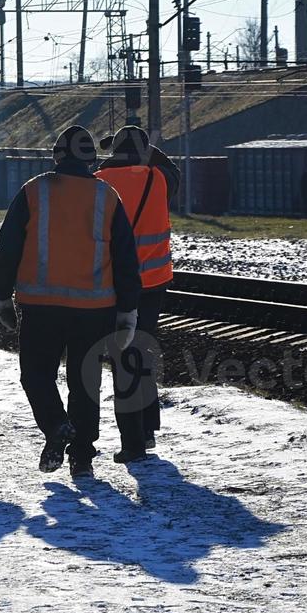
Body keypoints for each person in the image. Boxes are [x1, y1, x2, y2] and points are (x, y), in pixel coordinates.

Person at [0, 126, 143, 478]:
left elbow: (8, 247)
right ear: (91, 160)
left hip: (41, 307)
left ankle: (57, 425)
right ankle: (82, 454)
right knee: (84, 380)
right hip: (94, 309)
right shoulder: (107, 196)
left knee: (36, 375)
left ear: (56, 156)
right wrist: (128, 309)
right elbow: (125, 259)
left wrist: (0, 295)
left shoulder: (34, 190)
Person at [96, 126, 180, 457]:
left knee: (124, 358)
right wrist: (150, 150)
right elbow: (172, 169)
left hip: (115, 282)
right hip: (155, 281)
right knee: (141, 353)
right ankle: (147, 429)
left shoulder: (100, 180)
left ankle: (136, 440)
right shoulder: (159, 178)